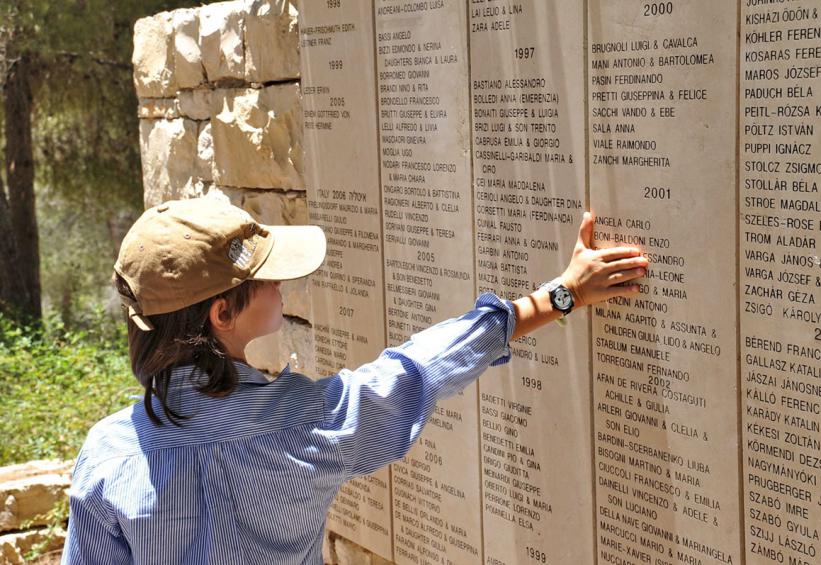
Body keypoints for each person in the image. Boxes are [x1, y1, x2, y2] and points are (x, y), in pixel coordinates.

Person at [60, 195, 648, 564]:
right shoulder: (303, 424)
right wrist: (559, 296)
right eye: (267, 279)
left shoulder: (107, 458)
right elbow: (417, 369)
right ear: (222, 313)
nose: (281, 287)